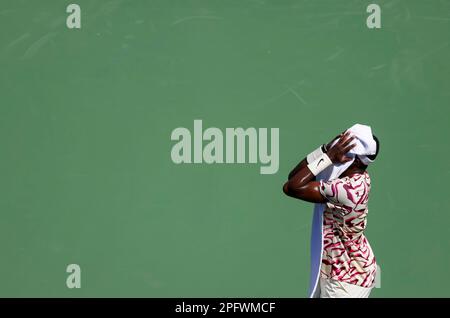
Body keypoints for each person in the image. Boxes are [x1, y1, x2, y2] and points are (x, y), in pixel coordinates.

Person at [283, 129, 379, 298]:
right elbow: (294, 177)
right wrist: (325, 150)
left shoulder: (346, 189)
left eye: (344, 150)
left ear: (354, 161)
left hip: (344, 283)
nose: (339, 152)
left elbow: (291, 187)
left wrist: (328, 157)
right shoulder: (355, 178)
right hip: (350, 271)